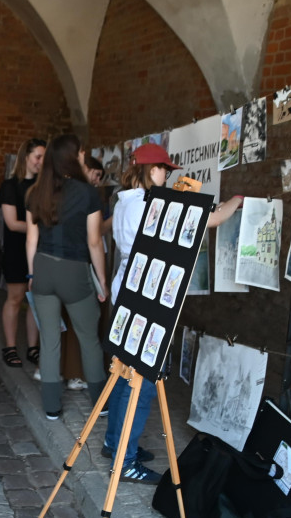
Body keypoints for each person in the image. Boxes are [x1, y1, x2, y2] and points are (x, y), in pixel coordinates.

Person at [102, 143, 243, 484]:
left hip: (128, 292)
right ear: (151, 171)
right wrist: (237, 201)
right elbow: (213, 219)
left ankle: (114, 442)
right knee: (146, 380)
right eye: (165, 169)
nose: (167, 176)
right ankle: (126, 459)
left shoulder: (125, 202)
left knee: (125, 373)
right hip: (146, 300)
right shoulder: (152, 205)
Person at [25, 134, 106, 420]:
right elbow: (94, 242)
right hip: (74, 270)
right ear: (73, 157)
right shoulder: (87, 193)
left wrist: (32, 274)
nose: (84, 157)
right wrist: (103, 282)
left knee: (49, 340)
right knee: (88, 338)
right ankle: (100, 402)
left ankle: (51, 407)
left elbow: (31, 241)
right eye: (82, 153)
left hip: (43, 267)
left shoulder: (37, 192)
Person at [0, 138, 45, 369]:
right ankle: (10, 346)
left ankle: (33, 347)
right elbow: (12, 223)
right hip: (16, 249)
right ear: (25, 156)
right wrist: (40, 226)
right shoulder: (10, 186)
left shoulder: (43, 187)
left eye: (44, 157)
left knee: (35, 300)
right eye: (38, 156)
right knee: (15, 298)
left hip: (38, 250)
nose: (41, 162)